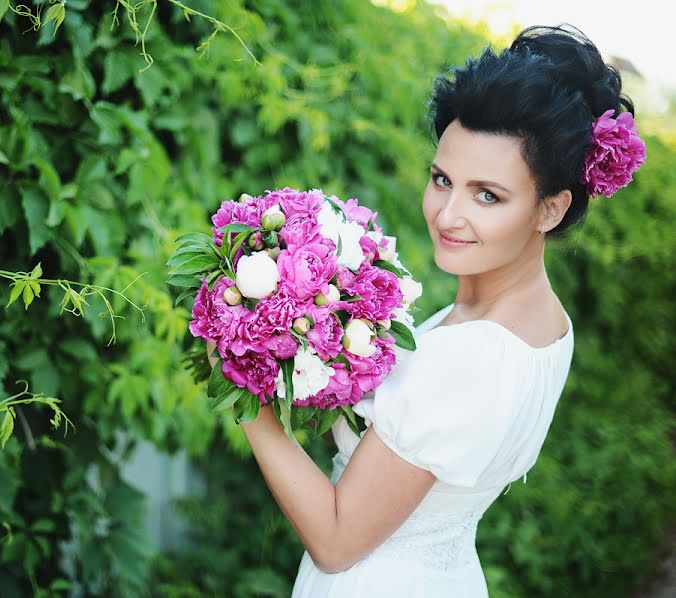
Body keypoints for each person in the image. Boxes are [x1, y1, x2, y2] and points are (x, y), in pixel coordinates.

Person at [209, 24, 646, 596]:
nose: (447, 214)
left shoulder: (470, 355)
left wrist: (244, 376)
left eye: (487, 195)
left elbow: (338, 540)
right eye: (443, 180)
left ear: (550, 209)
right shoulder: (544, 325)